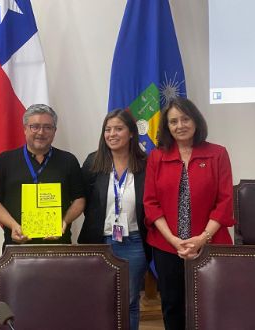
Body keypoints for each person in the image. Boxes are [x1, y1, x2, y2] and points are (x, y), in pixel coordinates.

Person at [143, 97, 235, 330]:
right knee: (173, 304)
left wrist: (202, 238)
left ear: (196, 121)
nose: (180, 125)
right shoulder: (156, 156)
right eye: (173, 121)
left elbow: (224, 201)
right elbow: (151, 203)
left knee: (211, 302)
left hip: (210, 242)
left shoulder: (218, 154)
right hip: (167, 246)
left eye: (185, 119)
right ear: (167, 126)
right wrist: (174, 240)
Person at [78, 109, 150, 330]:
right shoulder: (93, 162)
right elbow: (83, 200)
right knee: (100, 298)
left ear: (131, 133)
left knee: (129, 300)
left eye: (119, 129)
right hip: (100, 241)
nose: (112, 134)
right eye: (108, 129)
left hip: (134, 242)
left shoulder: (146, 163)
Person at [0, 104, 85, 248]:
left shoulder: (68, 160)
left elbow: (79, 199)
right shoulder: (5, 160)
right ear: (25, 129)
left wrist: (64, 221)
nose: (41, 132)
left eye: (47, 127)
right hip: (16, 245)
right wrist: (13, 225)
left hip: (58, 245)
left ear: (55, 131)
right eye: (35, 126)